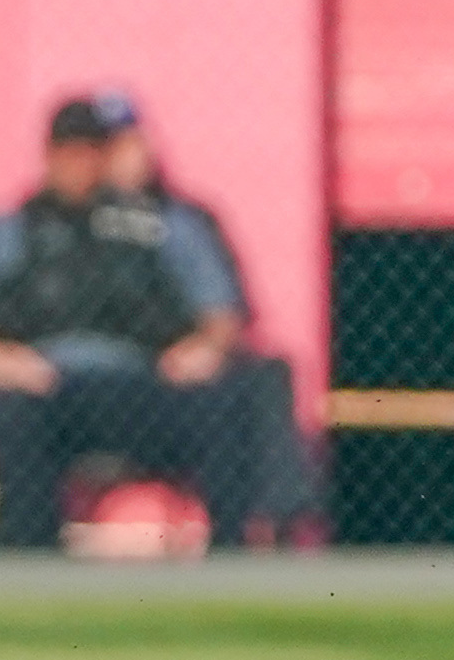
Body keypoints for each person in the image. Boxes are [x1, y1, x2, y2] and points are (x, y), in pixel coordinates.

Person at [0, 96, 273, 549]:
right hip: (46, 387)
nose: (79, 166)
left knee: (226, 398)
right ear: (49, 156)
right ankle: (29, 555)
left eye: (91, 153)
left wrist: (205, 348)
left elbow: (222, 311)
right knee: (10, 411)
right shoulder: (9, 231)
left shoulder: (160, 224)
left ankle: (233, 555)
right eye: (68, 153)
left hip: (143, 386)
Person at [90, 87, 317, 547]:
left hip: (175, 381)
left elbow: (223, 311)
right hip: (100, 382)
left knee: (262, 376)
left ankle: (272, 522)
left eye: (136, 141)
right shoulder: (57, 222)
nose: (137, 155)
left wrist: (205, 348)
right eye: (117, 146)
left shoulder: (183, 220)